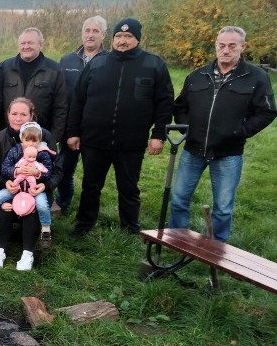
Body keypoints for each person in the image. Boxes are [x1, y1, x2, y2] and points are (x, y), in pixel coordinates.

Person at [66, 17, 174, 237]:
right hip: (94, 140)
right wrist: (73, 132)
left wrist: (158, 134)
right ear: (113, 38)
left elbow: (165, 101)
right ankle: (84, 225)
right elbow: (78, 99)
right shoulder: (98, 63)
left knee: (129, 188)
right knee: (91, 186)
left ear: (137, 39)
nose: (122, 41)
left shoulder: (153, 64)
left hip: (131, 141)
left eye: (128, 36)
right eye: (119, 36)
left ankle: (130, 228)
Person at [168, 26, 276, 241]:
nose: (225, 50)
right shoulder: (197, 76)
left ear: (242, 47)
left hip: (228, 152)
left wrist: (239, 132)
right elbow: (180, 106)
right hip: (193, 149)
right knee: (179, 198)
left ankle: (215, 251)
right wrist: (187, 129)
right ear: (216, 46)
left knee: (224, 207)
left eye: (232, 46)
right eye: (221, 45)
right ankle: (177, 241)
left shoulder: (255, 77)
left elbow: (267, 112)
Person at [0, 98, 61, 249]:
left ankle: (29, 252)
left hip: (37, 188)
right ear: (7, 115)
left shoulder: (45, 137)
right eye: (14, 113)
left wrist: (44, 185)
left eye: (23, 114)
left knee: (34, 210)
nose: (18, 118)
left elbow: (57, 171)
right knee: (4, 207)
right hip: (12, 186)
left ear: (31, 115)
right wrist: (4, 182)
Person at [56, 15, 108, 214]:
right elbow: (61, 95)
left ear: (103, 35)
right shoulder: (67, 60)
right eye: (87, 31)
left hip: (96, 128)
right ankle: (63, 203)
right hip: (71, 126)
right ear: (82, 33)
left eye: (95, 31)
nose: (90, 35)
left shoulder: (109, 61)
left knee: (92, 173)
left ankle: (88, 209)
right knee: (64, 168)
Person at [0, 123, 53, 241]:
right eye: (27, 140)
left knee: (42, 205)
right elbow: (5, 169)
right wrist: (17, 171)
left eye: (34, 141)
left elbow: (48, 172)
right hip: (16, 187)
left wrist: (37, 173)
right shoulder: (15, 151)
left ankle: (46, 229)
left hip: (33, 189)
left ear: (39, 140)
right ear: (21, 139)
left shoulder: (43, 154)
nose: (30, 144)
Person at [0, 28, 67, 144]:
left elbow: (60, 107)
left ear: (41, 45)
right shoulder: (5, 68)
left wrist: (54, 138)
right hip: (9, 137)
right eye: (23, 43)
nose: (26, 46)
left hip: (39, 138)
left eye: (31, 43)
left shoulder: (54, 70)